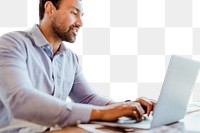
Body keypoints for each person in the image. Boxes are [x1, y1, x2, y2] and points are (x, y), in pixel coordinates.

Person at [0, 0, 155, 132]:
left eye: (81, 16)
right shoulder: (12, 44)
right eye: (74, 13)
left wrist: (128, 106)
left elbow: (87, 98)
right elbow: (20, 101)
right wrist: (101, 113)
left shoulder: (70, 58)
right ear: (50, 9)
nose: (80, 23)